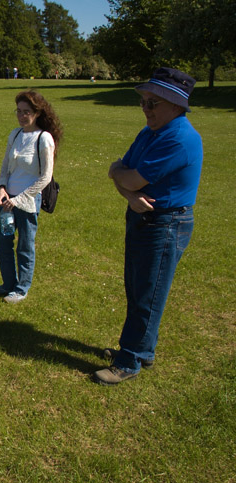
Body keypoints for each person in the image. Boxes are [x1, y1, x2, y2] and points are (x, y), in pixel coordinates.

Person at [95, 68, 202, 386]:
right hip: (144, 219)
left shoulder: (179, 138)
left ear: (176, 105)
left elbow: (127, 175)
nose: (146, 108)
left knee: (147, 294)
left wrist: (123, 181)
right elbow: (120, 173)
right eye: (143, 101)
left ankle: (129, 361)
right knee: (138, 288)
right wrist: (129, 193)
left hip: (166, 223)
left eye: (153, 103)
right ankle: (143, 350)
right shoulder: (151, 132)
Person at [0, 90, 62, 304]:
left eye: (26, 112)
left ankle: (21, 289)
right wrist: (2, 188)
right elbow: (5, 166)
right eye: (18, 111)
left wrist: (19, 199)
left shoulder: (44, 138)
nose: (21, 116)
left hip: (28, 203)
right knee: (4, 244)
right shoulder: (15, 134)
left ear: (37, 113)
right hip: (7, 202)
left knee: (25, 246)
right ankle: (8, 284)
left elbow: (46, 177)